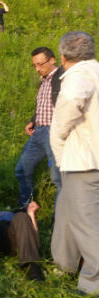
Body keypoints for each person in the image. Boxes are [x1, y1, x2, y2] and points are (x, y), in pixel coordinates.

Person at [50, 31, 99, 295]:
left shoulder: (78, 76)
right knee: (67, 214)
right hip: (85, 159)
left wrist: (57, 145)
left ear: (63, 55)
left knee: (87, 223)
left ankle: (93, 283)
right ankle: (64, 264)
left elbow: (67, 110)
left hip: (84, 160)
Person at [15, 47, 64, 209]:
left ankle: (59, 220)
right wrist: (33, 121)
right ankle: (26, 208)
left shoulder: (62, 78)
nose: (37, 69)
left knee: (58, 179)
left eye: (40, 64)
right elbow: (44, 106)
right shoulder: (44, 81)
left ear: (52, 60)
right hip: (38, 132)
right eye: (34, 65)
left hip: (54, 132)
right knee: (22, 169)